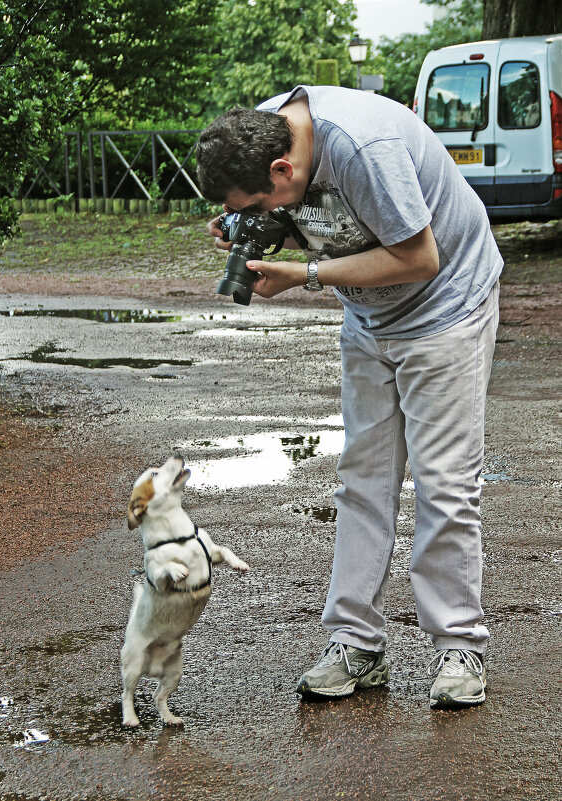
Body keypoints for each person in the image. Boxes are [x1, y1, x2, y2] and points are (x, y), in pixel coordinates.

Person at [195, 85, 502, 709]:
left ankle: (457, 646)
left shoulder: (363, 146)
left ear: (284, 169)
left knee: (443, 482)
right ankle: (354, 644)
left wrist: (305, 274)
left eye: (261, 199)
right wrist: (251, 225)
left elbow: (420, 258)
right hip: (370, 321)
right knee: (361, 479)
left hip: (447, 310)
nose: (265, 209)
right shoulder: (266, 134)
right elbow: (294, 216)